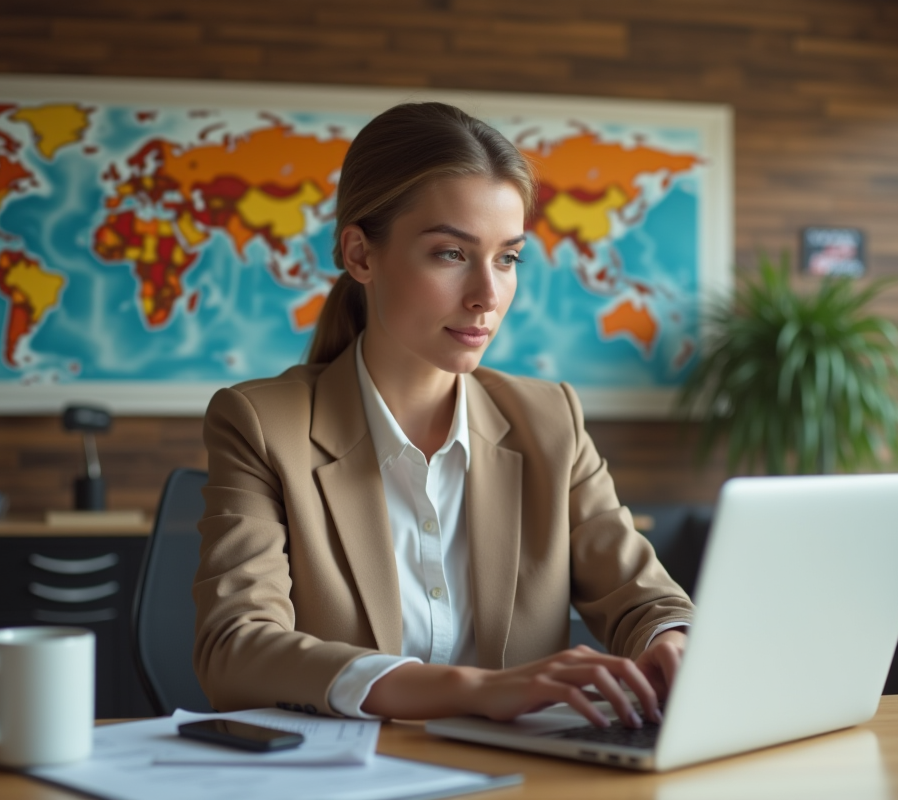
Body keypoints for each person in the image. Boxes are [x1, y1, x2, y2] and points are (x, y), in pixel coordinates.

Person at [193, 102, 693, 730]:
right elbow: (234, 648)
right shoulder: (263, 424)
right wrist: (472, 689)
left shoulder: (549, 421)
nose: (487, 293)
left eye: (507, 258)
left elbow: (642, 597)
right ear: (360, 255)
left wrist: (671, 642)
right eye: (451, 254)